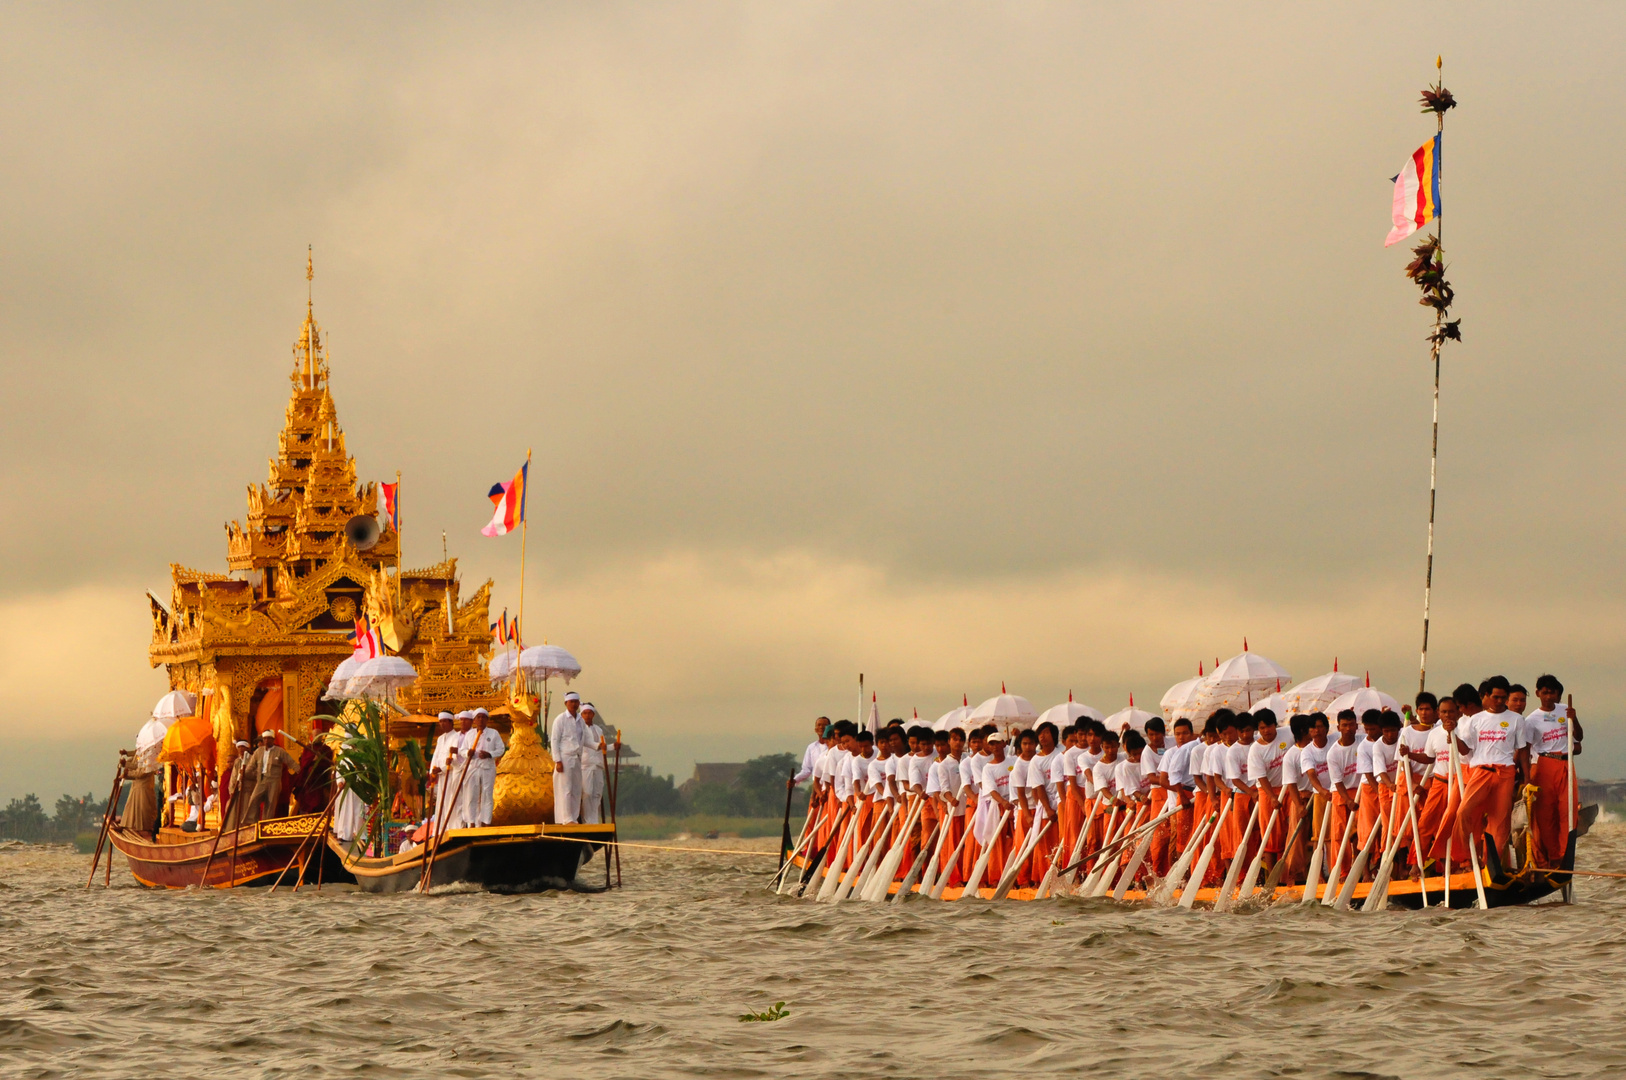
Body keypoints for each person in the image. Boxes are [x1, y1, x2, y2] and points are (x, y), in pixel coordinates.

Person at [1454, 675, 1523, 866]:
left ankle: (1492, 864)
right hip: (1481, 770)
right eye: (1496, 697)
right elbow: (1465, 750)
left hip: (1506, 773)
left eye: (1503, 698)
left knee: (1500, 823)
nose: (1500, 702)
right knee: (1463, 812)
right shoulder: (1475, 720)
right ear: (1486, 696)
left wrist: (1527, 778)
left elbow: (1522, 750)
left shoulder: (1516, 720)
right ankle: (1466, 857)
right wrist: (1451, 734)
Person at [1525, 674, 1582, 867]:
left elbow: (1579, 737)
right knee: (1546, 814)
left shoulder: (1565, 710)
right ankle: (1553, 855)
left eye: (1552, 692)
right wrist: (1526, 777)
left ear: (1558, 694)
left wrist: (1574, 719)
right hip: (1545, 764)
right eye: (1545, 692)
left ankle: (1565, 854)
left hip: (1566, 763)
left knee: (1568, 809)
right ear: (1538, 693)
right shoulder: (1531, 720)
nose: (1549, 696)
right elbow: (1526, 748)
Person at [461, 708, 507, 828]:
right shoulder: (470, 734)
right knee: (472, 795)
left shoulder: (493, 733)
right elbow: (462, 750)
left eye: (483, 717)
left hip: (487, 768)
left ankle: (485, 822)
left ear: (487, 719)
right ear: (474, 720)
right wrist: (467, 753)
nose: (481, 719)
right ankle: (471, 822)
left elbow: (501, 749)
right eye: (478, 717)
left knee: (487, 795)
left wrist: (489, 754)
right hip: (473, 768)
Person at [243, 730, 299, 824]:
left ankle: (266, 825)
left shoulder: (279, 751)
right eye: (264, 738)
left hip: (274, 781)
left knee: (270, 804)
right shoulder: (258, 752)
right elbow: (250, 766)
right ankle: (250, 823)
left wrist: (300, 772)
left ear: (273, 739)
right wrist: (244, 774)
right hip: (261, 780)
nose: (266, 740)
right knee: (253, 800)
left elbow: (291, 762)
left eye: (269, 738)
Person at [551, 692, 586, 824]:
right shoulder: (560, 719)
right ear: (566, 703)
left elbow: (585, 739)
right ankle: (566, 818)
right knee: (566, 789)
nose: (574, 704)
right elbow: (554, 741)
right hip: (565, 758)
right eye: (571, 702)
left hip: (577, 758)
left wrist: (602, 746)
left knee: (576, 789)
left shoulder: (580, 720)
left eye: (576, 702)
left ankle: (574, 817)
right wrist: (558, 761)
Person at [579, 703, 613, 824]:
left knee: (597, 793)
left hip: (598, 765)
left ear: (593, 714)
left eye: (589, 713)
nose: (587, 715)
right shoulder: (579, 728)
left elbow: (603, 747)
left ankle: (594, 820)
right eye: (584, 713)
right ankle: (587, 820)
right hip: (585, 765)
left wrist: (613, 746)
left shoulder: (598, 729)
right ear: (581, 714)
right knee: (587, 793)